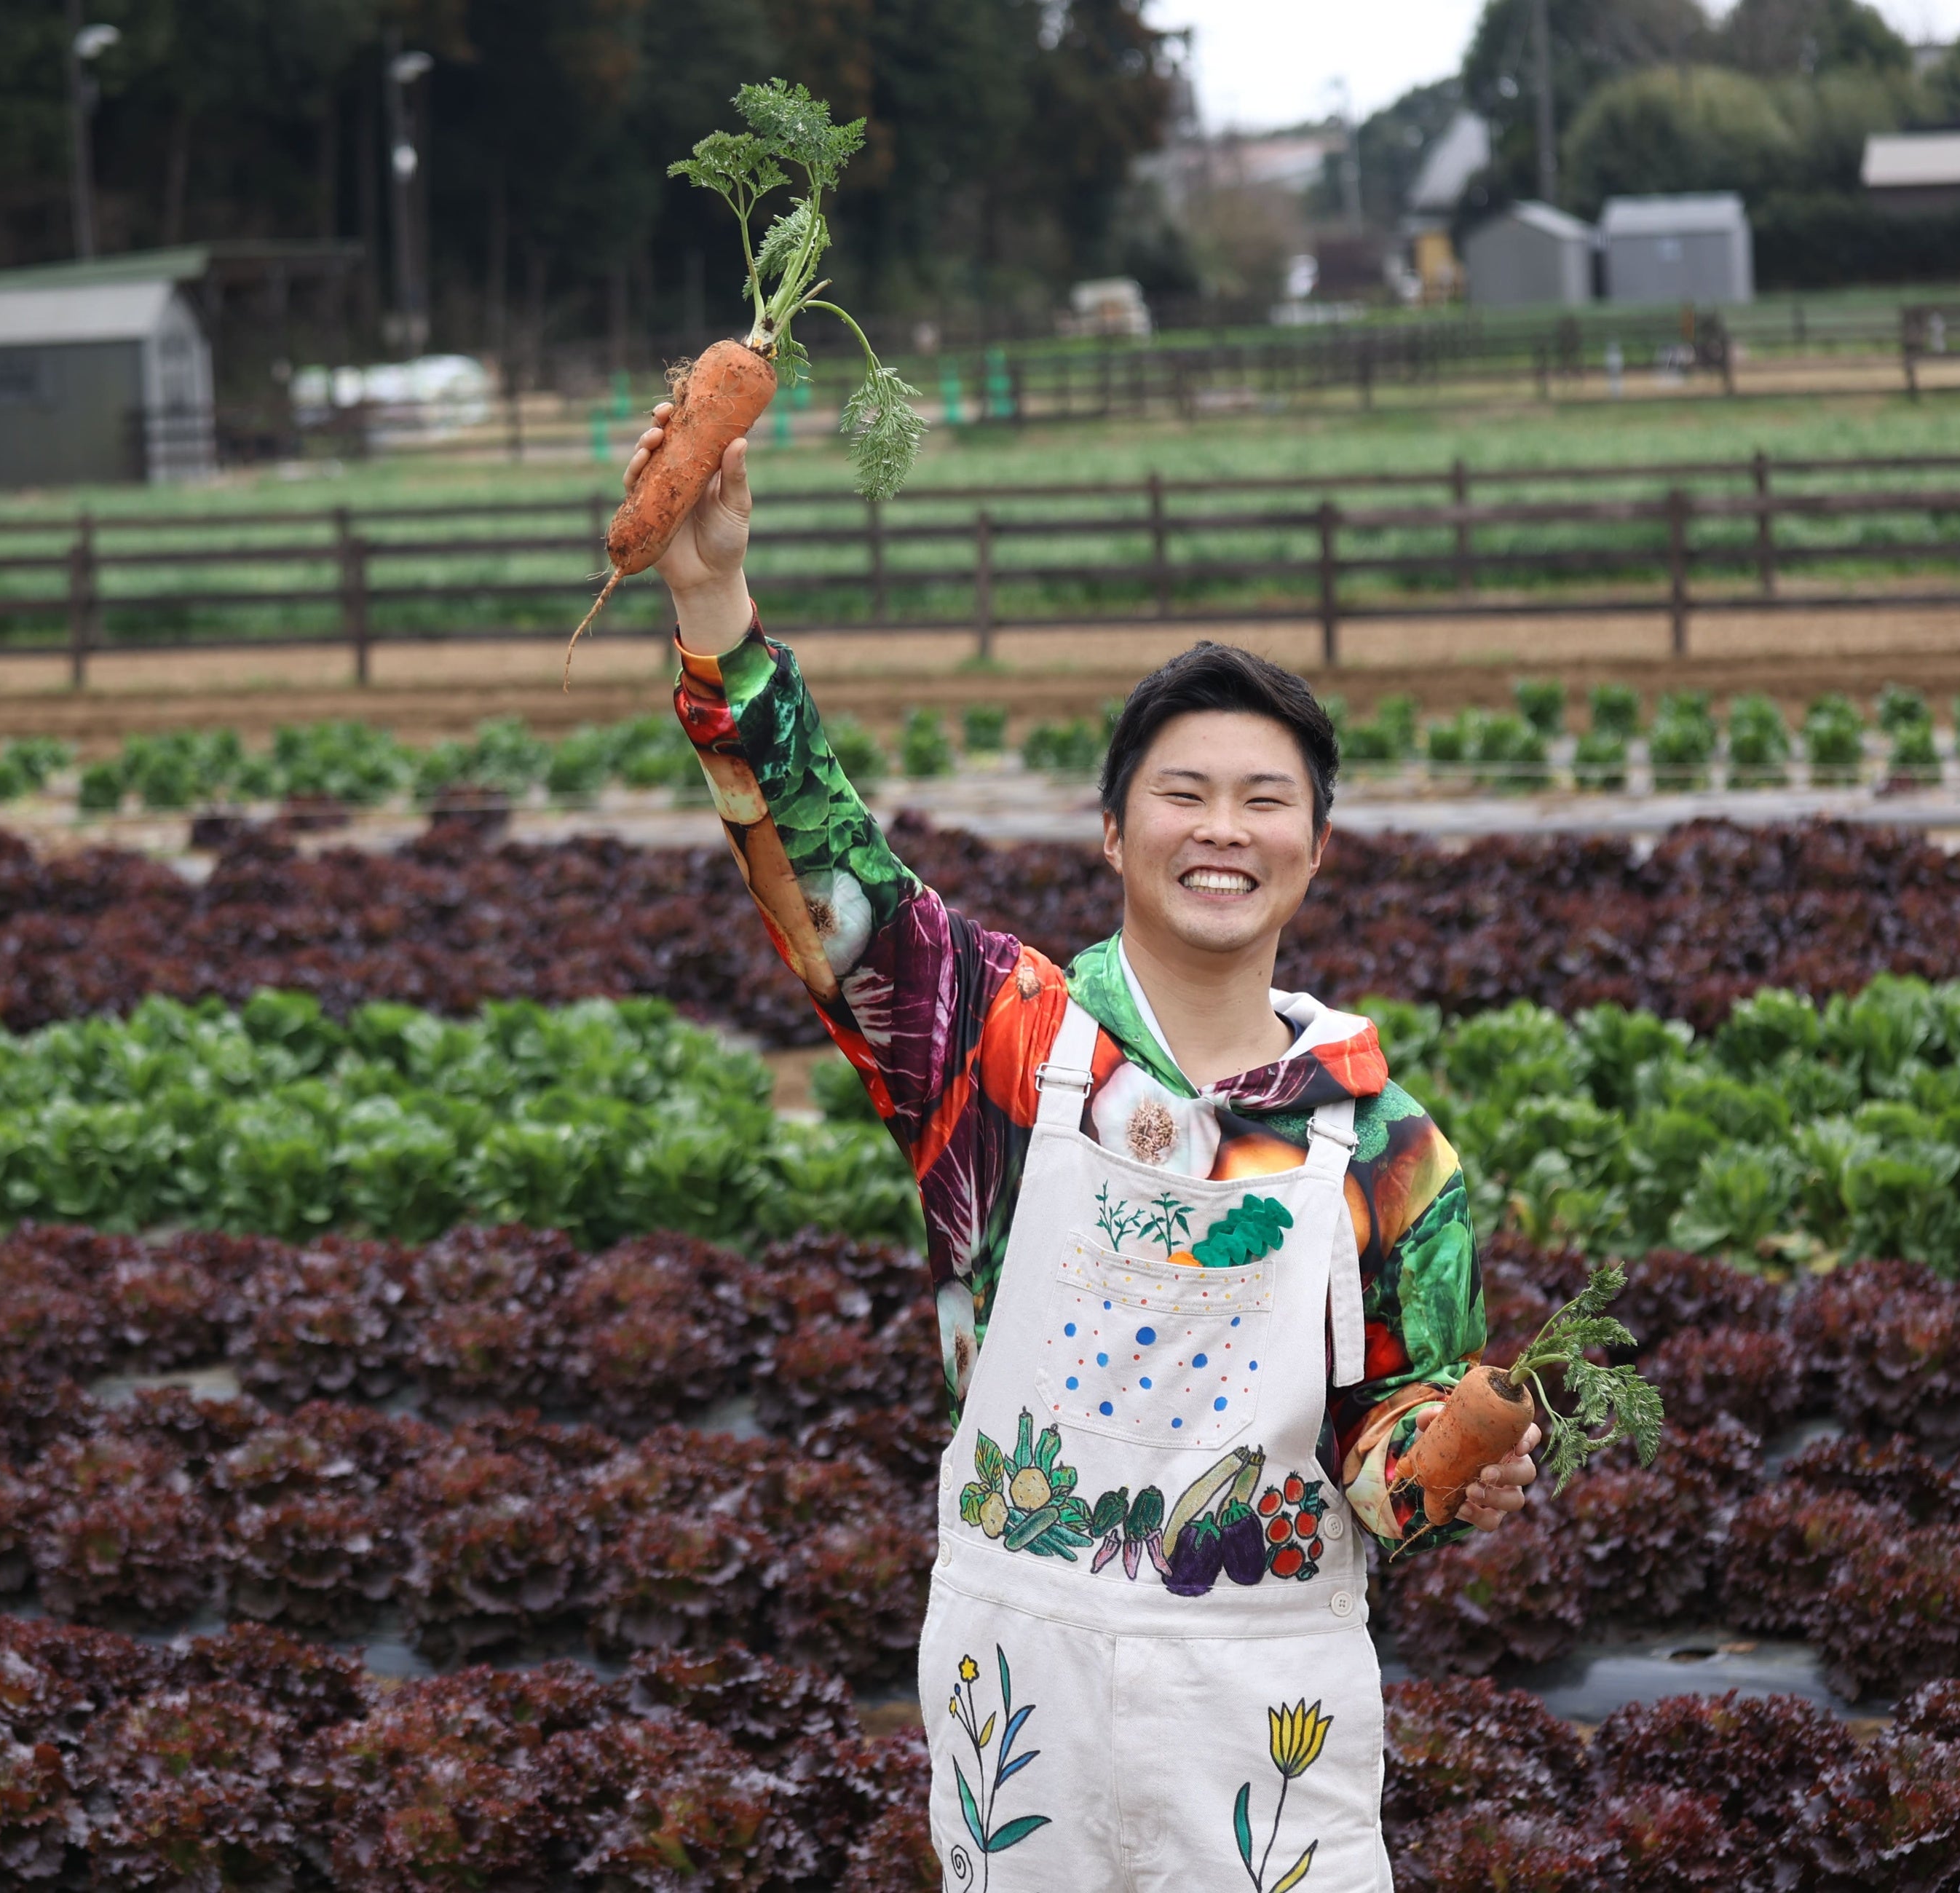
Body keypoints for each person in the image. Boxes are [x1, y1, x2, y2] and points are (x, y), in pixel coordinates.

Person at [630, 411, 1542, 1892]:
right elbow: (819, 855)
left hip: (1261, 1706)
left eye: (1266, 799)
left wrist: (1457, 1461)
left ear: (1317, 845)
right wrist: (710, 601)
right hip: (1021, 1680)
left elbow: (1386, 1467)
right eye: (1184, 793)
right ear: (1114, 834)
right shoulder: (997, 1038)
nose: (1222, 828)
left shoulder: (1387, 1145)